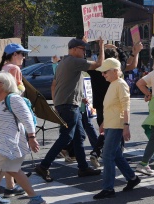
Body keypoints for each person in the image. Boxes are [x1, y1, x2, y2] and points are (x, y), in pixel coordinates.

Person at [33, 38, 105, 182]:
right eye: (82, 49)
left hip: (70, 104)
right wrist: (101, 46)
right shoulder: (72, 61)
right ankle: (43, 166)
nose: (85, 52)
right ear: (73, 49)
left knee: (79, 137)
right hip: (68, 105)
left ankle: (83, 168)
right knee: (67, 136)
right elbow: (99, 64)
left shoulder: (65, 62)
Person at [0, 73, 47, 204]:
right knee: (13, 170)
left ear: (4, 85)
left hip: (6, 143)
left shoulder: (13, 99)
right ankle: (35, 198)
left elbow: (27, 119)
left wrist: (32, 137)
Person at [92, 58, 141, 199]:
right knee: (116, 155)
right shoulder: (114, 83)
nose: (103, 75)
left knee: (107, 155)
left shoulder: (120, 84)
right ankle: (132, 178)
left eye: (105, 72)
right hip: (111, 124)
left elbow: (126, 106)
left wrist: (126, 125)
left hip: (116, 125)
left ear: (115, 71)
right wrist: (104, 123)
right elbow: (112, 107)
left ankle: (108, 188)